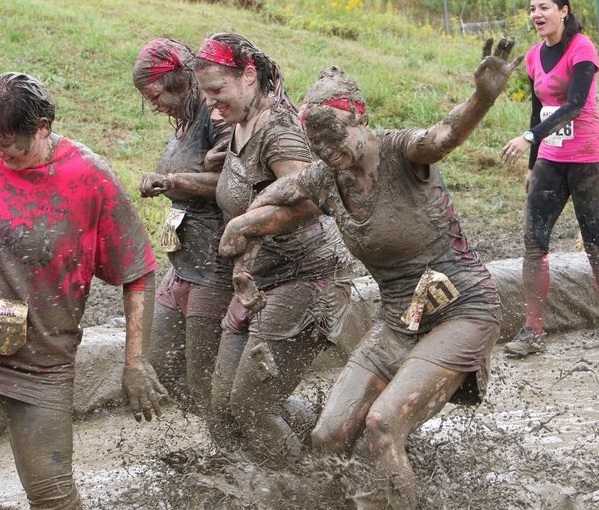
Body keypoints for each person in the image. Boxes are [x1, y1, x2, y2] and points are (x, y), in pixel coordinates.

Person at [221, 38, 521, 508]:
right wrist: (242, 235)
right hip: (400, 318)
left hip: (464, 309)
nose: (326, 151)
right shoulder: (327, 176)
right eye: (315, 143)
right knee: (328, 435)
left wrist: (483, 96)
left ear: (359, 117)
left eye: (333, 137)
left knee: (383, 425)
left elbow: (445, 135)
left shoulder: (401, 151)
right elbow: (279, 199)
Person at [0, 72, 165, 510]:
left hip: (39, 362)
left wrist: (135, 361)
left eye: (8, 144)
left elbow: (138, 272)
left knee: (53, 497)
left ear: (41, 127)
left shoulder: (87, 178)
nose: (1, 153)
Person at [194, 33, 358, 462]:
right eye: (205, 94)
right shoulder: (241, 123)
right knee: (222, 409)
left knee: (251, 404)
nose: (211, 104)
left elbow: (312, 197)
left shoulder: (279, 129)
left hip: (308, 279)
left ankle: (305, 491)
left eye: (217, 91)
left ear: (249, 77)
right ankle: (320, 454)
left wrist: (247, 224)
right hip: (257, 283)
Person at [132, 38, 233, 411]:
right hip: (184, 263)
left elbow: (235, 183)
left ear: (178, 80)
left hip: (217, 264)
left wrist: (172, 182)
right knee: (162, 369)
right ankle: (226, 445)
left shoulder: (215, 114)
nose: (152, 104)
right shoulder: (184, 122)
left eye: (155, 94)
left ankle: (257, 449)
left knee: (206, 380)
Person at [501, 0, 599, 358]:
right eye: (531, 8)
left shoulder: (583, 49)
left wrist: (528, 137)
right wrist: (531, 163)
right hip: (549, 161)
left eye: (544, 7)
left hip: (589, 162)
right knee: (533, 242)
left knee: (595, 245)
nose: (536, 15)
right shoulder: (532, 57)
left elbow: (574, 105)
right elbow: (536, 110)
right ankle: (532, 331)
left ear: (564, 10)